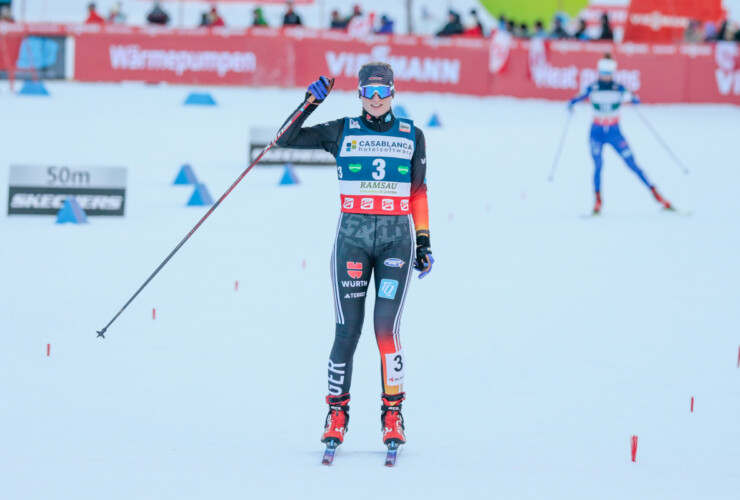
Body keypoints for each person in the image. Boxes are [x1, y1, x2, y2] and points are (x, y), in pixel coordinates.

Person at [275, 63, 433, 453]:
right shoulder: (343, 130)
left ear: (393, 93)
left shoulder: (412, 134)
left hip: (397, 241)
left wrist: (425, 241)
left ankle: (393, 414)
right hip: (353, 241)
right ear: (360, 94)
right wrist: (310, 102)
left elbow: (418, 192)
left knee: (385, 331)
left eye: (383, 93)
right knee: (347, 332)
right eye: (369, 93)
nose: (376, 101)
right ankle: (337, 413)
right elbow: (285, 139)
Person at [568, 55, 673, 214]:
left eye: (608, 72)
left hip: (614, 132)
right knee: (597, 166)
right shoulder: (592, 87)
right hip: (596, 132)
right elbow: (576, 98)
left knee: (632, 164)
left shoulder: (619, 88)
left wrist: (633, 99)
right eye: (603, 72)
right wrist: (571, 105)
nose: (606, 76)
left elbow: (636, 99)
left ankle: (658, 196)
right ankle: (597, 201)